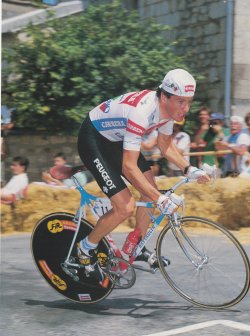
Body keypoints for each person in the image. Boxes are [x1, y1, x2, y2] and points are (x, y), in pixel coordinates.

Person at [76, 69, 215, 276]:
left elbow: (165, 145)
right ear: (164, 96)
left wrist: (189, 169)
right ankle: (85, 248)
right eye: (180, 102)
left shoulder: (169, 111)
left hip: (116, 139)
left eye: (189, 101)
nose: (185, 108)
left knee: (149, 190)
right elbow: (129, 167)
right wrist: (160, 199)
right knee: (126, 206)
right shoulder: (142, 113)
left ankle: (135, 245)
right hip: (94, 139)